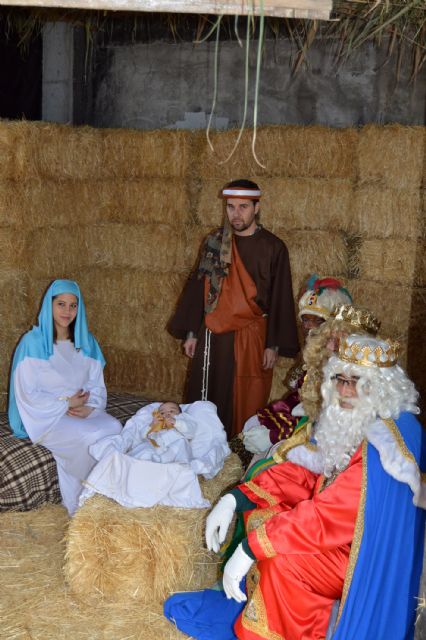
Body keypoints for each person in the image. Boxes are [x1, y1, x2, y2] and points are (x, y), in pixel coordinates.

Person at [171, 334, 425, 640]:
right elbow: (304, 473)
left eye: (356, 381)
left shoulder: (384, 441)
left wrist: (252, 547)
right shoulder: (352, 419)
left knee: (282, 562)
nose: (345, 390)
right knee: (262, 516)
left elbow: (327, 518)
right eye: (340, 379)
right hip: (342, 536)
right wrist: (236, 498)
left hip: (364, 557)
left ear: (380, 386)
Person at [169, 179, 299, 439]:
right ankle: (202, 442)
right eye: (230, 207)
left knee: (246, 397)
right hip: (212, 334)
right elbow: (199, 288)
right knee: (207, 392)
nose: (235, 214)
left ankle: (239, 449)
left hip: (252, 335)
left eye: (243, 207)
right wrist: (192, 333)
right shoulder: (216, 243)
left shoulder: (274, 248)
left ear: (256, 207)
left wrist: (272, 344)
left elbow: (280, 298)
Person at [8, 279, 122, 515]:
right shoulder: (32, 343)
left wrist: (91, 407)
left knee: (113, 426)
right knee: (89, 435)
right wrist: (67, 403)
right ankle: (94, 498)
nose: (67, 311)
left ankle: (95, 498)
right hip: (45, 417)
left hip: (81, 411)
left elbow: (96, 386)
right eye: (61, 304)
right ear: (48, 306)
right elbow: (26, 394)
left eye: (73, 305)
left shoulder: (86, 342)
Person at [242, 275, 353, 456]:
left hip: (317, 430)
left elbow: (322, 415)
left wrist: (277, 434)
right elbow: (300, 394)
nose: (309, 327)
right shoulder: (314, 353)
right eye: (306, 320)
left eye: (318, 321)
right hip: (298, 411)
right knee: (253, 424)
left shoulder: (342, 367)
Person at [126, 401, 195, 464]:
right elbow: (142, 436)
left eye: (171, 411)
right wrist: (151, 425)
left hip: (174, 449)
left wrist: (176, 422)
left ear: (180, 413)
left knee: (182, 443)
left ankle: (178, 464)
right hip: (157, 448)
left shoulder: (182, 418)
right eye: (162, 413)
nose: (167, 413)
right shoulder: (155, 424)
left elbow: (190, 432)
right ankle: (140, 461)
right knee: (145, 446)